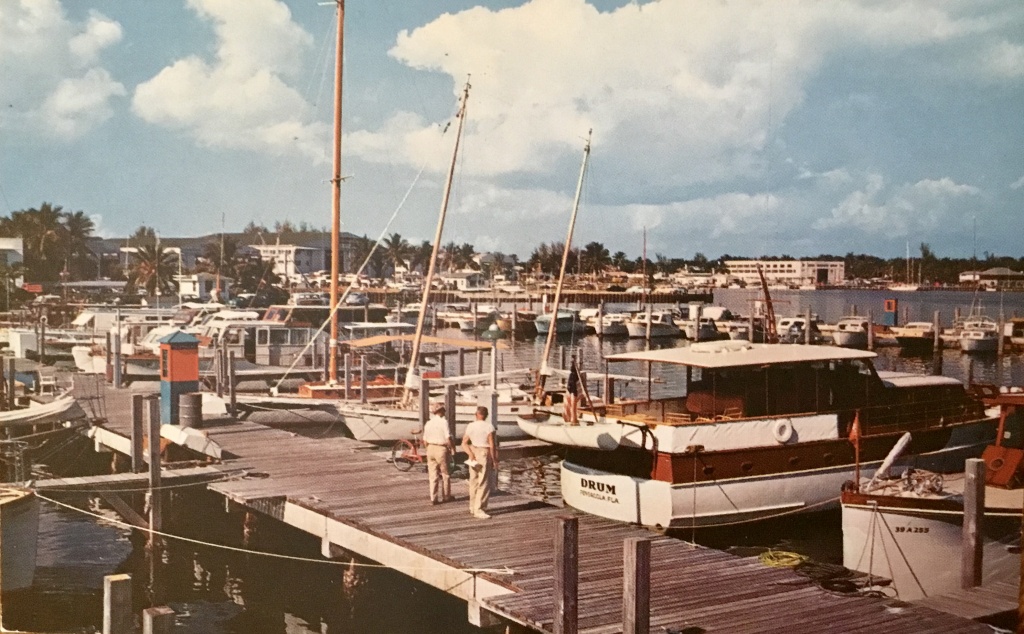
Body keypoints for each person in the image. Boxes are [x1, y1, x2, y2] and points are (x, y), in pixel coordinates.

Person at [461, 405, 497, 519]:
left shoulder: (470, 425)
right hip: (483, 453)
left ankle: (472, 506)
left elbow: (464, 442)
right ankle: (479, 509)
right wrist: (494, 460)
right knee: (483, 482)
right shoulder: (489, 427)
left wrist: (470, 454)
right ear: (486, 416)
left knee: (474, 481)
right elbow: (492, 445)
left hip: (473, 452)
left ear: (476, 415)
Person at [422, 403, 454, 505]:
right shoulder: (443, 422)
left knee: (433, 475)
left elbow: (425, 440)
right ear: (441, 412)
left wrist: (428, 449)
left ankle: (433, 498)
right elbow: (448, 437)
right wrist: (452, 448)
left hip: (430, 448)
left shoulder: (428, 423)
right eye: (444, 410)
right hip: (441, 448)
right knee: (445, 474)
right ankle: (446, 496)